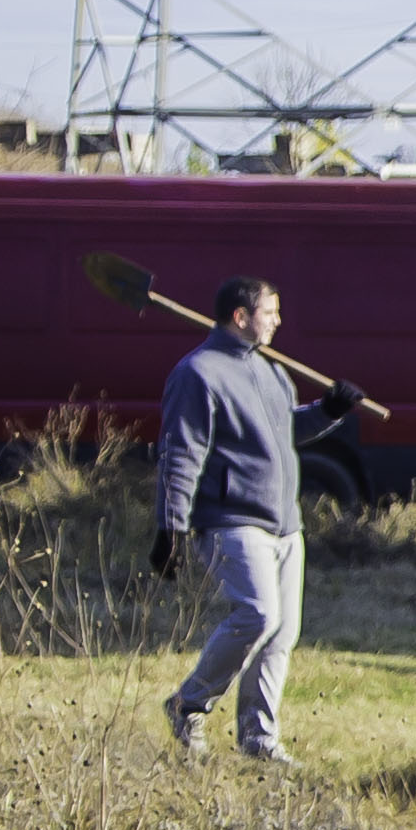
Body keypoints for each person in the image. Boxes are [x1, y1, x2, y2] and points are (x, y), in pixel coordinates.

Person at [157, 275, 316, 765]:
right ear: (241, 316)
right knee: (258, 614)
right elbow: (180, 454)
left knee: (282, 632)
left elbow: (287, 430)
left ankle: (259, 739)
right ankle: (188, 704)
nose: (278, 321)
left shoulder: (272, 373)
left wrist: (329, 411)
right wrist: (170, 526)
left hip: (285, 524)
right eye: (271, 311)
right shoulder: (198, 373)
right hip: (231, 519)